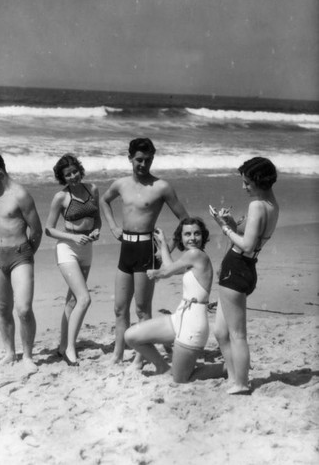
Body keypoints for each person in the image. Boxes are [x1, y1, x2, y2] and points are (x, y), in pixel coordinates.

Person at [100, 138, 189, 365]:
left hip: (146, 249)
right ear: (130, 158)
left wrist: (166, 252)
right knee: (120, 308)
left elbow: (186, 222)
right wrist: (112, 226)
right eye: (139, 159)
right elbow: (104, 200)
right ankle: (118, 355)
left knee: (142, 309)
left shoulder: (161, 187)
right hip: (126, 248)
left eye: (148, 160)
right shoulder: (120, 184)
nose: (143, 164)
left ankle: (140, 358)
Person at [209, 157, 279, 395]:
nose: (244, 187)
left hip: (237, 266)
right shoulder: (272, 205)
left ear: (259, 180)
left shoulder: (256, 206)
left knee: (237, 334)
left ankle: (241, 383)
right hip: (247, 268)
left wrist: (223, 227)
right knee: (220, 331)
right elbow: (253, 239)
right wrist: (231, 223)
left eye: (247, 183)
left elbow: (246, 245)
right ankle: (234, 374)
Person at [125, 218, 213, 382]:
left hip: (194, 326)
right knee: (131, 336)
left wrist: (155, 273)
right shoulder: (191, 260)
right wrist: (163, 244)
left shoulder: (196, 255)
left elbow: (166, 272)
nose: (192, 238)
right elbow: (170, 267)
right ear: (181, 237)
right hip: (179, 317)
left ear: (203, 236)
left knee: (180, 379)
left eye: (197, 233)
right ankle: (162, 367)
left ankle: (230, 367)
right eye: (187, 234)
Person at [0, 153, 42, 373]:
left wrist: (26, 254)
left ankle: (28, 356)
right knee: (3, 308)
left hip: (20, 256)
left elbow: (37, 230)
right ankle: (9, 352)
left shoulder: (21, 194)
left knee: (23, 309)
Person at [45, 154, 101, 366]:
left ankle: (62, 345)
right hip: (67, 249)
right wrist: (73, 237)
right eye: (67, 175)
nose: (73, 177)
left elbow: (97, 218)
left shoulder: (92, 189)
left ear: (80, 169)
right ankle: (70, 348)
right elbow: (49, 229)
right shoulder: (61, 197)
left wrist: (96, 231)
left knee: (72, 301)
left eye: (75, 171)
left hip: (87, 249)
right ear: (62, 177)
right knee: (84, 299)